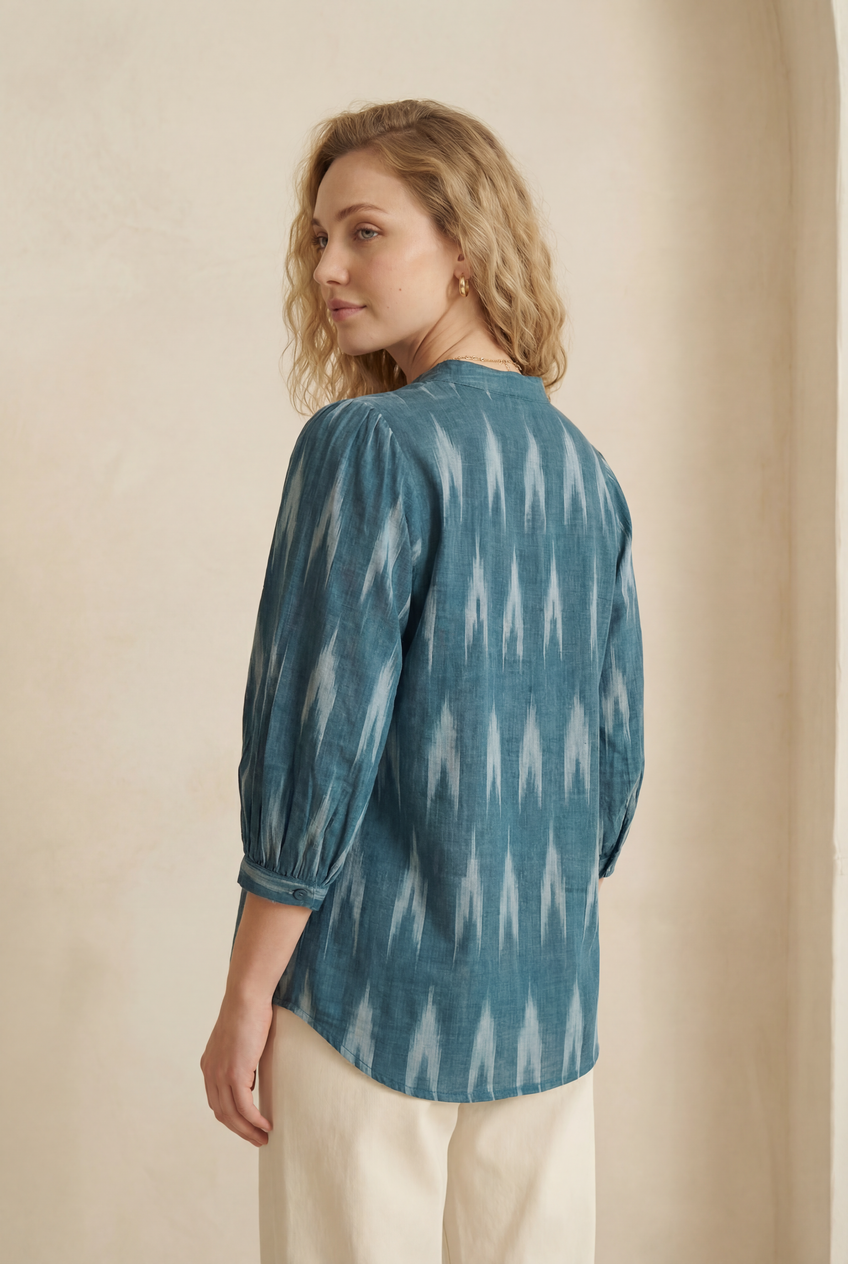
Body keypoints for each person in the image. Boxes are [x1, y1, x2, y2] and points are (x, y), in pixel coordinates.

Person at [200, 98, 645, 1264]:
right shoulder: (582, 471)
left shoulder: (366, 446)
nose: (326, 268)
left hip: (365, 995)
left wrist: (246, 997)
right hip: (542, 1001)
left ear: (463, 245)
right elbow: (613, 769)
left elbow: (313, 746)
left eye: (364, 232)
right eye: (318, 239)